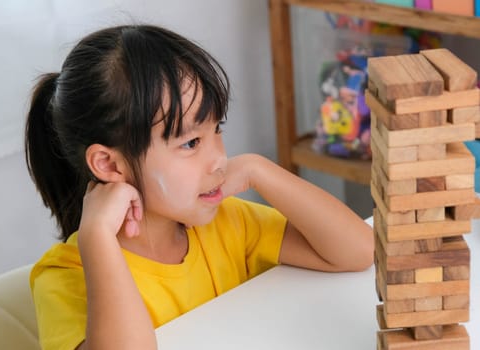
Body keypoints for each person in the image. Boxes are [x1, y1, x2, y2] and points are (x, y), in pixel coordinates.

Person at [25, 24, 374, 350]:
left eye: (217, 128)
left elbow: (359, 251)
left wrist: (258, 169)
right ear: (109, 165)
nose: (219, 158)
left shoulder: (225, 222)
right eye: (191, 143)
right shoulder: (65, 277)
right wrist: (97, 236)